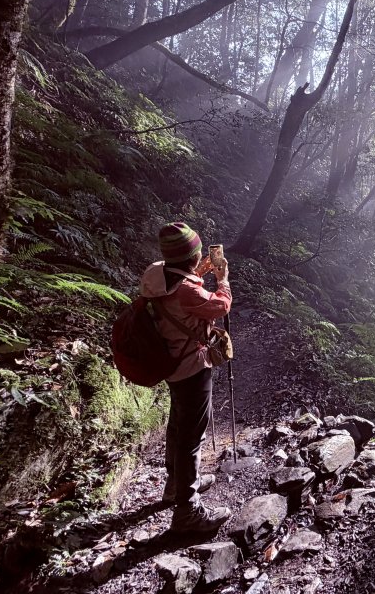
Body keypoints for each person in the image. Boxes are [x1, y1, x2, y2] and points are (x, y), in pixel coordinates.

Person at [140, 221, 232, 534]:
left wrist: (197, 270)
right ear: (191, 257)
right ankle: (187, 510)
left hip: (171, 363)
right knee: (192, 437)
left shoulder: (156, 274)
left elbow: (179, 289)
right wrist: (223, 280)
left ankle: (175, 485)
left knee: (178, 427)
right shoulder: (188, 290)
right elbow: (219, 305)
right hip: (192, 367)